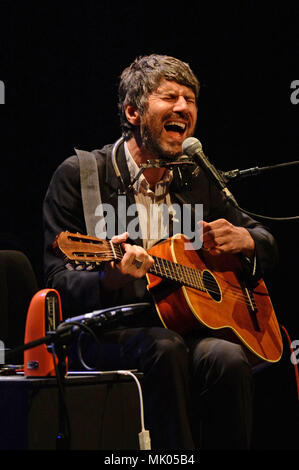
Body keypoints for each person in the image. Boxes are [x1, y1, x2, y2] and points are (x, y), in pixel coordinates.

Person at [43, 54, 278, 450]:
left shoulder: (197, 177)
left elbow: (261, 235)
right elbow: (57, 279)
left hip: (185, 328)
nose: (184, 108)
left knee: (229, 358)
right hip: (108, 332)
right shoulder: (82, 176)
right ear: (133, 111)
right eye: (170, 97)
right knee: (164, 349)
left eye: (190, 99)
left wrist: (248, 240)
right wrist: (112, 276)